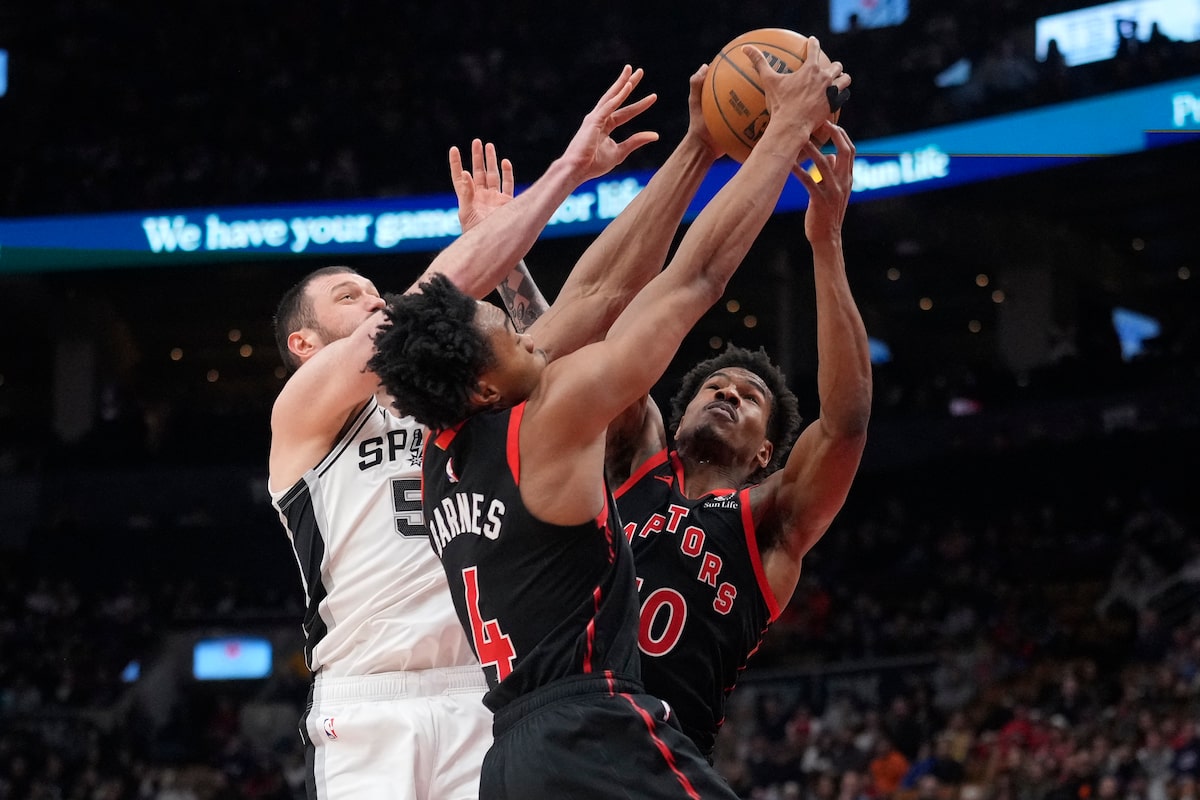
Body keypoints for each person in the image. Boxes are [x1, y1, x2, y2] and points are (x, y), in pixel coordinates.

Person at [367, 40, 850, 799]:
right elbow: (693, 279)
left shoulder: (443, 454)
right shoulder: (547, 423)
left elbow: (596, 296)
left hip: (511, 763)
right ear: (486, 388)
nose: (529, 334)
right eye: (509, 335)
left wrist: (696, 148)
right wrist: (785, 128)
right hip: (595, 734)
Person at [267, 64, 659, 800]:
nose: (375, 301)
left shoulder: (454, 392)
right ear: (304, 345)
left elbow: (543, 363)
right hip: (369, 699)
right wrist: (567, 171)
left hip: (486, 687)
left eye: (376, 291)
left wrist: (505, 260)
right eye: (350, 297)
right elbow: (430, 304)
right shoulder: (304, 414)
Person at [603, 105, 871, 762]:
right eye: (714, 387)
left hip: (664, 755)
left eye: (748, 398)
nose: (727, 393)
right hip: (562, 721)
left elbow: (845, 424)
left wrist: (827, 243)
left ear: (765, 452)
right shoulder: (633, 458)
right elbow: (593, 340)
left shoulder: (770, 521)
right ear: (679, 417)